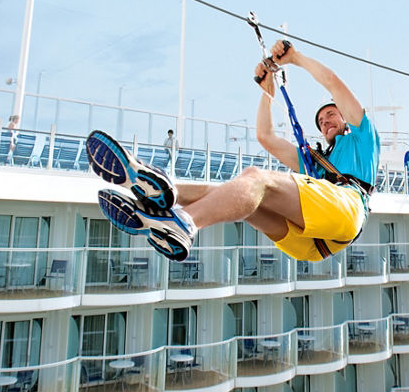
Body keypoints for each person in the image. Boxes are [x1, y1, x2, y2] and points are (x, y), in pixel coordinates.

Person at [87, 40, 380, 264]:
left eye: (330, 114)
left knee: (256, 178)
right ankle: (159, 196)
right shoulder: (317, 164)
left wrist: (295, 58)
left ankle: (184, 222)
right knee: (238, 195)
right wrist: (267, 93)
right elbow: (265, 137)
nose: (325, 121)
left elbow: (332, 82)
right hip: (312, 245)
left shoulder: (363, 138)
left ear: (344, 116)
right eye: (320, 121)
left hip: (347, 210)